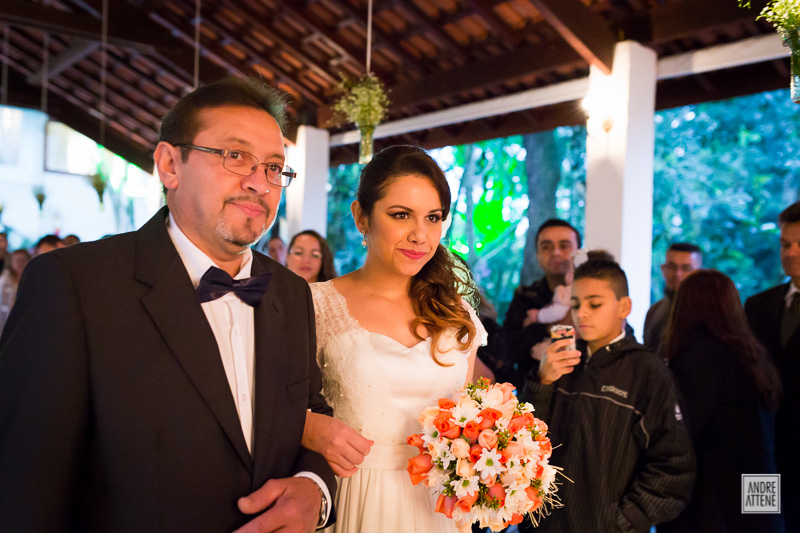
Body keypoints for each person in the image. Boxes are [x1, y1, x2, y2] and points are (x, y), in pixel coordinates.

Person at [0, 76, 336, 532]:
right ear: (169, 165)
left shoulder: (292, 293)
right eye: (236, 156)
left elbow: (312, 415)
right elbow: (24, 488)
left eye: (274, 167)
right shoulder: (74, 285)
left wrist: (315, 489)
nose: (260, 183)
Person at [304, 145, 487, 533]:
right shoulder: (316, 305)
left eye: (433, 218)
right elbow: (271, 409)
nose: (420, 235)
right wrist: (308, 429)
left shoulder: (457, 315)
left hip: (439, 509)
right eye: (401, 215)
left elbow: (469, 418)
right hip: (356, 498)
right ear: (361, 217)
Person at [520, 259, 694, 533]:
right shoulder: (558, 362)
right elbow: (523, 442)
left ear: (624, 307)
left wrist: (623, 522)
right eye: (575, 304)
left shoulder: (647, 371)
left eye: (595, 304)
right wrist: (541, 382)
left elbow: (674, 465)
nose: (582, 314)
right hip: (541, 525)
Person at [658, 270, 783, 533]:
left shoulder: (703, 356)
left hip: (719, 495)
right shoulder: (751, 354)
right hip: (760, 480)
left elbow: (682, 430)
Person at [745, 200, 800, 532]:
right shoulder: (757, 306)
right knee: (759, 526)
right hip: (763, 453)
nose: (790, 252)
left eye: (799, 244)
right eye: (785, 244)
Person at [503, 219, 581, 390]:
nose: (556, 252)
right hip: (534, 391)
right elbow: (507, 346)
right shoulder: (525, 297)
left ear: (578, 253)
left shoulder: (593, 295)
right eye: (546, 247)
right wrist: (551, 327)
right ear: (538, 256)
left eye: (564, 246)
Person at [643, 243, 702, 355]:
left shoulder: (706, 314)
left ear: (699, 273)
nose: (678, 274)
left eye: (686, 268)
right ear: (663, 269)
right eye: (672, 267)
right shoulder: (654, 311)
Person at [0, 248, 31, 334]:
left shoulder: (33, 279)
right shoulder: (4, 281)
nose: (20, 263)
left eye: (23, 260)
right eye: (17, 260)